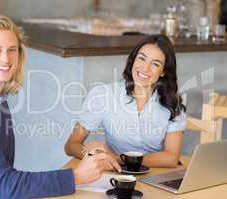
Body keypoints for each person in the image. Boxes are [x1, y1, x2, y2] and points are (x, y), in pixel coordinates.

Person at [0, 15, 121, 199]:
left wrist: (84, 157)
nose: (6, 58)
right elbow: (6, 186)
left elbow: (4, 180)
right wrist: (76, 176)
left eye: (12, 50)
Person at [65, 34, 186, 170]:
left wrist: (119, 159)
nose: (145, 69)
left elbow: (171, 158)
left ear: (163, 71)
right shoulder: (104, 95)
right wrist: (95, 156)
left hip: (153, 176)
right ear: (133, 59)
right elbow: (71, 145)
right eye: (141, 58)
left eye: (155, 64)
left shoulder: (172, 103)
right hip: (114, 175)